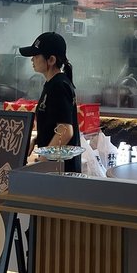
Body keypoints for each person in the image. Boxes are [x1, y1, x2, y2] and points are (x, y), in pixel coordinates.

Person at [19, 32, 81, 172]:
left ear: (51, 60)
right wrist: (37, 140)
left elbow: (66, 131)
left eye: (36, 56)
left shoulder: (59, 86)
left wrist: (44, 160)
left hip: (61, 169)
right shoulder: (52, 84)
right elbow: (53, 124)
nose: (32, 60)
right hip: (54, 166)